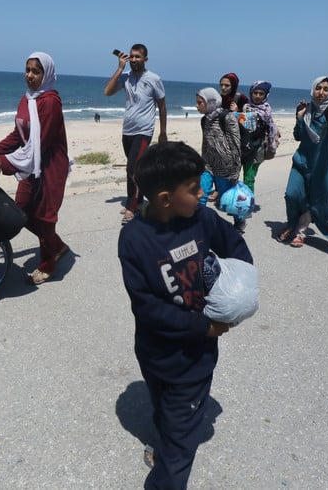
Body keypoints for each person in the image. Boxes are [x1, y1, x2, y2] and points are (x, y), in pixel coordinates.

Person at [117, 141, 253, 490]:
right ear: (164, 198)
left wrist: (234, 296)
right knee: (162, 403)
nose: (203, 195)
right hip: (155, 349)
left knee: (180, 448)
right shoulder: (133, 238)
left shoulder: (204, 219)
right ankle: (167, 438)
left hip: (195, 359)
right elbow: (147, 306)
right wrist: (204, 326)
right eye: (194, 190)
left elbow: (238, 251)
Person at [0, 52, 70, 285]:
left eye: (36, 71)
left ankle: (48, 263)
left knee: (45, 217)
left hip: (50, 167)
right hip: (32, 167)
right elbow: (18, 136)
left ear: (47, 74)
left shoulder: (50, 101)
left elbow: (40, 142)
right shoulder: (28, 99)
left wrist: (7, 162)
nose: (30, 75)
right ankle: (57, 246)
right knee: (20, 212)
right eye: (27, 69)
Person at [280, 76, 328, 248]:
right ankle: (292, 223)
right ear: (313, 89)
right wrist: (299, 117)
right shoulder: (307, 110)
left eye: (326, 89)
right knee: (291, 194)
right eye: (318, 88)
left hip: (323, 165)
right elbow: (298, 136)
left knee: (317, 200)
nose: (322, 92)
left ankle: (300, 232)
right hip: (301, 161)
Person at [103, 43, 168, 224]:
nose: (134, 59)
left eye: (138, 57)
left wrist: (163, 132)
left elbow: (162, 106)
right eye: (132, 56)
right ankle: (139, 201)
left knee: (132, 169)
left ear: (145, 59)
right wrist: (119, 68)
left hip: (144, 130)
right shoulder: (126, 78)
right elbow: (107, 92)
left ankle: (132, 208)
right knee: (133, 170)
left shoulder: (153, 79)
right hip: (128, 130)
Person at [196, 88, 246, 232]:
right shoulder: (204, 120)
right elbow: (205, 142)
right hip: (208, 165)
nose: (197, 106)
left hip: (226, 167)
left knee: (228, 199)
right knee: (201, 194)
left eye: (200, 103)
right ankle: (198, 224)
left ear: (210, 102)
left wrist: (235, 172)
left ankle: (239, 221)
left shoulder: (227, 117)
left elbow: (236, 144)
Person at [240, 80, 279, 196]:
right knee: (243, 176)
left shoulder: (267, 111)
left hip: (257, 149)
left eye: (261, 93)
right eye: (255, 92)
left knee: (249, 178)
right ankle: (239, 200)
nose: (257, 96)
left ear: (266, 95)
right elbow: (241, 125)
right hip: (243, 147)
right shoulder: (246, 107)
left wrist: (272, 147)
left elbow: (272, 129)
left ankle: (247, 205)